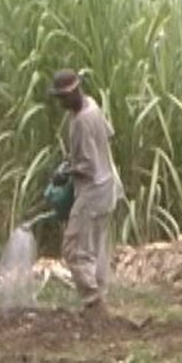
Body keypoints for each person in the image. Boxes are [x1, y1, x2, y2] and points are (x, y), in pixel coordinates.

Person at [47, 68, 123, 314]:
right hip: (109, 186)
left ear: (72, 93)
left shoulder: (81, 120)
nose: (60, 103)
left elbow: (87, 167)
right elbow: (107, 135)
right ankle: (100, 296)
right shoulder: (92, 105)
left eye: (62, 98)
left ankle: (93, 300)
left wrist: (65, 173)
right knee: (98, 246)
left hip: (92, 190)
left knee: (73, 248)